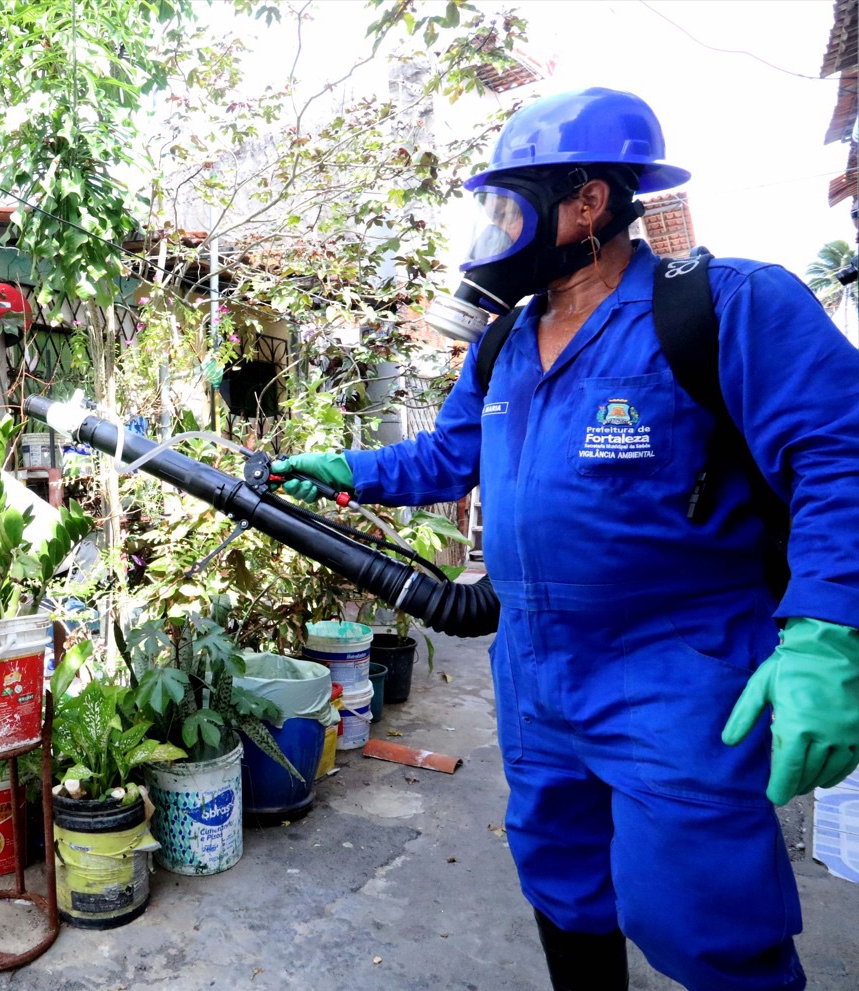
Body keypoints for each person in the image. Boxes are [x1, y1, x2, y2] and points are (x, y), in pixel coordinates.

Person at [275, 88, 859, 991]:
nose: (497, 230)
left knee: (701, 911)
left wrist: (827, 626)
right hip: (537, 674)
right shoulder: (504, 341)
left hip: (679, 669)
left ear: (587, 203)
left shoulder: (719, 308)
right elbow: (450, 453)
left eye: (513, 207)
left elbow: (842, 455)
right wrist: (348, 471)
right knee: (562, 881)